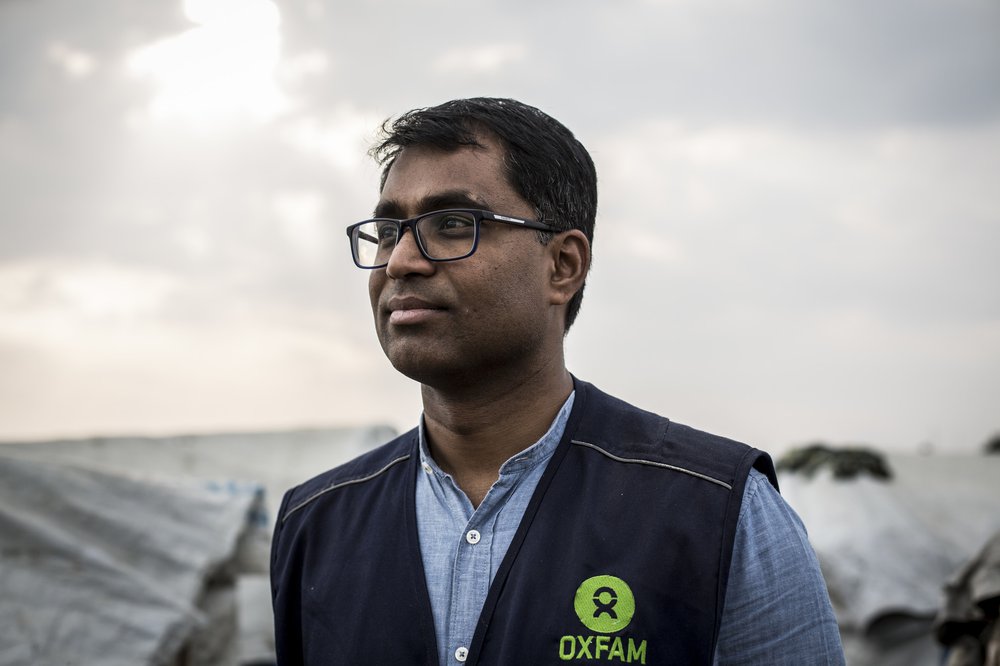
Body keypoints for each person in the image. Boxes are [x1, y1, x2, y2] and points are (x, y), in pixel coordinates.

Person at [270, 97, 845, 665]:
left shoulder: (718, 511)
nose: (400, 262)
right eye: (390, 229)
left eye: (452, 225)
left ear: (563, 266)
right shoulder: (316, 523)